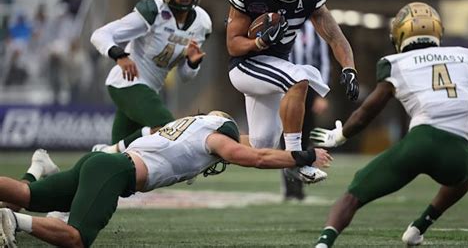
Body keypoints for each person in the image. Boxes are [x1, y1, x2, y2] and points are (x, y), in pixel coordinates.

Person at [0, 111, 333, 248]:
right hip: (115, 173)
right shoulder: (214, 140)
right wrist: (304, 157)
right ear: (224, 132)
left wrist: (297, 150)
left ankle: (17, 210)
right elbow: (255, 157)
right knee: (77, 238)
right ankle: (13, 221)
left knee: (26, 192)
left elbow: (256, 145)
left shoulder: (193, 125)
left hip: (103, 162)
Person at [310, 2, 468, 248]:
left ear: (400, 33)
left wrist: (341, 135)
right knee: (467, 169)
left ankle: (324, 243)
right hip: (456, 152)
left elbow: (368, 111)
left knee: (355, 193)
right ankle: (419, 227)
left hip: (420, 143)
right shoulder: (467, 57)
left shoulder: (395, 63)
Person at [225, 0, 359, 183]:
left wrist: (349, 67)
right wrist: (258, 42)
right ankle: (296, 160)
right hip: (246, 65)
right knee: (298, 79)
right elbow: (233, 45)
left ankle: (206, 140)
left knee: (261, 146)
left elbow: (335, 37)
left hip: (276, 66)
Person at [90, 0, 211, 149]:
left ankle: (99, 156)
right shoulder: (155, 11)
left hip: (150, 89)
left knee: (120, 160)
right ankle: (109, 151)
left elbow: (185, 76)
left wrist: (192, 63)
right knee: (168, 128)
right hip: (127, 82)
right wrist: (120, 56)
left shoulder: (202, 23)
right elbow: (100, 35)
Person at [283, 21, 331, 200]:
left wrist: (321, 94)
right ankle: (290, 188)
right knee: (286, 136)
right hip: (286, 84)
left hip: (309, 86)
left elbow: (324, 61)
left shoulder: (316, 28)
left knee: (304, 135)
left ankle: (300, 183)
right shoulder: (283, 25)